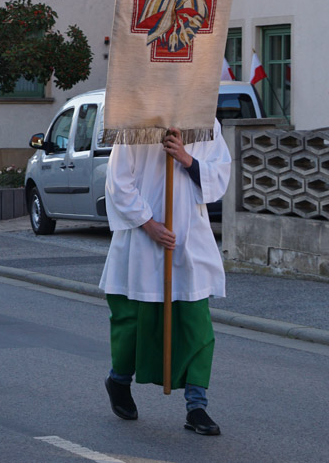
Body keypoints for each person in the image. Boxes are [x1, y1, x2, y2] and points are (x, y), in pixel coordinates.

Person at [99, 124, 231, 436]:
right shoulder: (133, 125)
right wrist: (148, 224)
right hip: (142, 240)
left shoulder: (206, 124)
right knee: (133, 322)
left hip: (188, 238)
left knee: (196, 325)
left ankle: (196, 405)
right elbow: (118, 182)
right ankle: (118, 380)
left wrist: (186, 158)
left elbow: (219, 174)